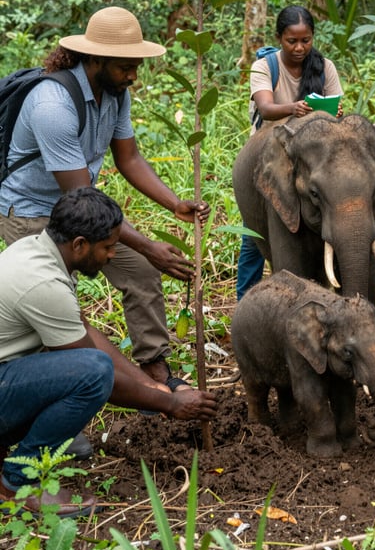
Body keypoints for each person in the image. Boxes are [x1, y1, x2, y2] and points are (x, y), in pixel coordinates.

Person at [0, 6, 209, 401]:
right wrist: (148, 244)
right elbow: (81, 198)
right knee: (55, 304)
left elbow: (128, 158)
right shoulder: (52, 106)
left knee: (143, 270)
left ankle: (155, 372)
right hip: (32, 211)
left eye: (136, 67)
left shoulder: (115, 93)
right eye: (125, 67)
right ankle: (59, 397)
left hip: (83, 206)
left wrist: (174, 203)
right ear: (94, 59)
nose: (133, 76)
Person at [0, 188, 218, 517]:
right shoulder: (43, 283)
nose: (113, 255)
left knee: (91, 366)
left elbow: (86, 333)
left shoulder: (38, 252)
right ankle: (18, 483)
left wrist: (154, 385)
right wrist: (170, 403)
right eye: (108, 247)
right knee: (92, 375)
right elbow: (95, 374)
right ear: (79, 245)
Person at [238, 5, 344, 300]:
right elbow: (265, 107)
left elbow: (336, 108)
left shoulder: (325, 67)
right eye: (292, 41)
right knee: (254, 239)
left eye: (306, 40)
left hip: (315, 161)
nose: (299, 48)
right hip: (270, 158)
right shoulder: (265, 67)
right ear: (279, 38)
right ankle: (246, 303)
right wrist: (293, 109)